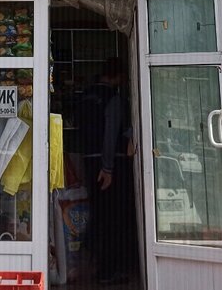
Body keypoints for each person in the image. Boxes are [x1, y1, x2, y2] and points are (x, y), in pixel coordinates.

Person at [80, 57, 136, 285]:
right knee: (113, 219)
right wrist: (108, 168)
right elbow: (110, 134)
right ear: (118, 76)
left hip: (89, 162)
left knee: (98, 215)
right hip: (108, 167)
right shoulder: (113, 98)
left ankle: (93, 264)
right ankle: (108, 270)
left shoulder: (85, 97)